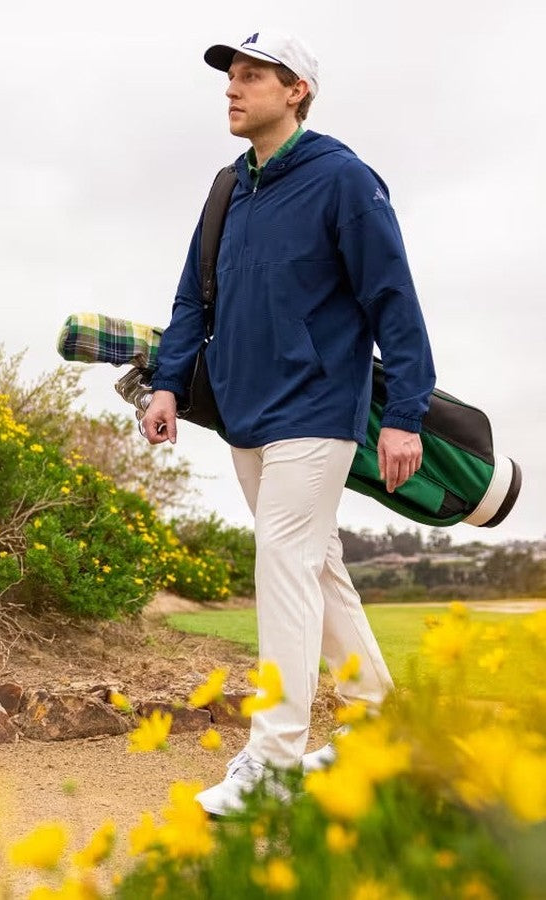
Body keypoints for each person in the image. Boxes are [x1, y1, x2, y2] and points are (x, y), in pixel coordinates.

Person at [140, 29, 436, 816]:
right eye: (229, 77)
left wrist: (403, 414)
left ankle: (272, 762)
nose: (232, 89)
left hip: (316, 407)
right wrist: (166, 385)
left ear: (295, 90)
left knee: (283, 561)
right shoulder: (225, 191)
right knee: (315, 564)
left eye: (250, 76)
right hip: (244, 412)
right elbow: (191, 301)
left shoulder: (343, 180)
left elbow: (392, 301)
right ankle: (380, 719)